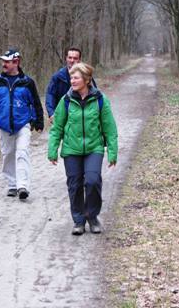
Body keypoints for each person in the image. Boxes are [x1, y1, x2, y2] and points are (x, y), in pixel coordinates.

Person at [48, 62, 118, 235]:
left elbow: (110, 127)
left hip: (94, 148)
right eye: (71, 77)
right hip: (72, 149)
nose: (72, 80)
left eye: (76, 77)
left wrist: (112, 152)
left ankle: (92, 216)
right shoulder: (66, 100)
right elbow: (57, 127)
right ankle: (78, 220)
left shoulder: (100, 99)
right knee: (75, 185)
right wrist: (53, 149)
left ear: (86, 79)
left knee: (93, 181)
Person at [0, 48, 44, 200]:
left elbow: (36, 102)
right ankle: (12, 184)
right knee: (7, 155)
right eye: (3, 61)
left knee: (22, 152)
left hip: (23, 124)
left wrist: (39, 121)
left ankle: (22, 186)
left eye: (7, 61)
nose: (4, 64)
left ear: (16, 62)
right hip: (4, 125)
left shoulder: (27, 82)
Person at [45, 47, 97, 123]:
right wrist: (51, 113)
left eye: (75, 58)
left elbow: (94, 94)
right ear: (66, 58)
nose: (72, 60)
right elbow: (50, 94)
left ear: (79, 60)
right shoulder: (57, 77)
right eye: (70, 58)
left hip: (82, 117)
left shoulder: (86, 76)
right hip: (62, 117)